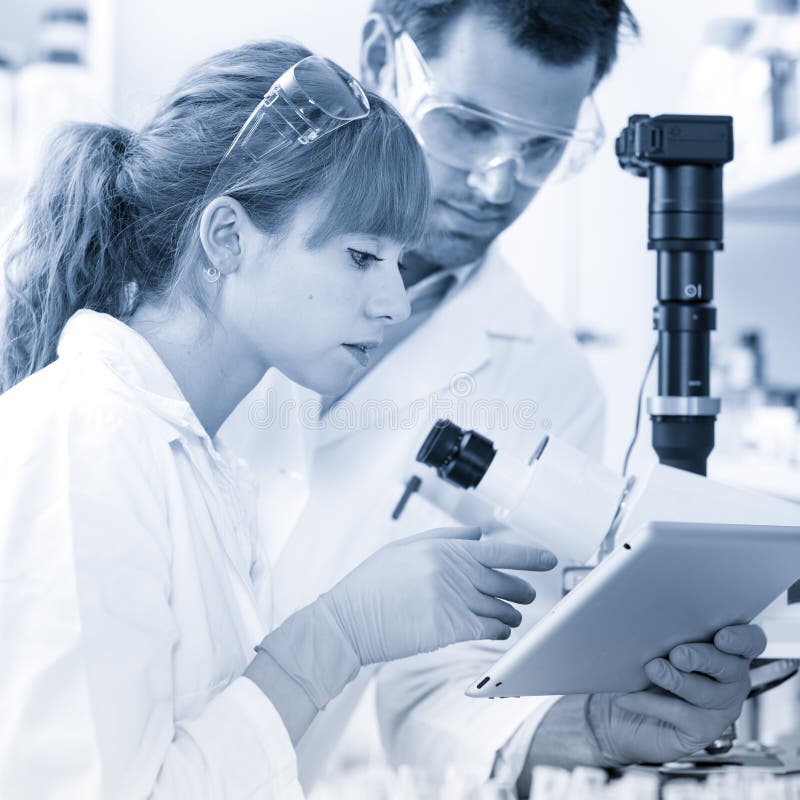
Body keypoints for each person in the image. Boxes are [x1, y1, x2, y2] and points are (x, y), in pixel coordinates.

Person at [218, 1, 767, 794]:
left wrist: (591, 724)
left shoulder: (545, 381)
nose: (497, 183)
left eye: (543, 147)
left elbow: (444, 685)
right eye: (468, 125)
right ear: (383, 56)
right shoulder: (207, 247)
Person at [0, 41, 562, 799]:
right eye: (364, 257)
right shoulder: (86, 443)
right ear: (227, 237)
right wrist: (333, 636)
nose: (395, 303)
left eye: (401, 263)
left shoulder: (188, 453)